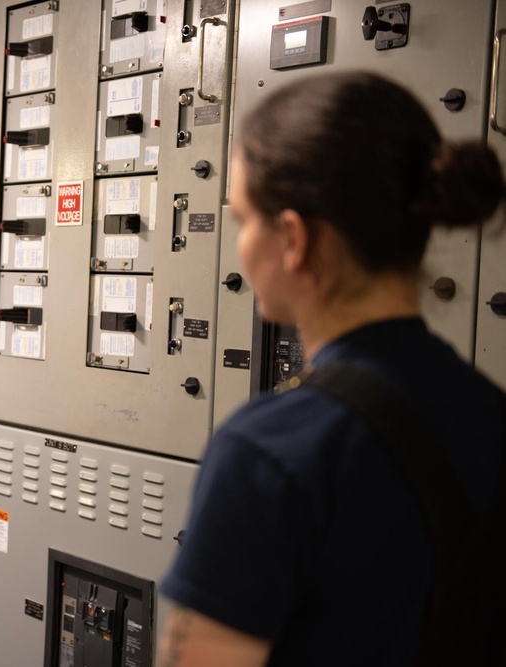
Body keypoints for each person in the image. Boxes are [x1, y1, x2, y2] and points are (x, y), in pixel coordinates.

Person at [156, 71, 505, 666]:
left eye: (243, 220)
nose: (240, 245)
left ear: (293, 239)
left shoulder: (268, 451)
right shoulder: (488, 412)